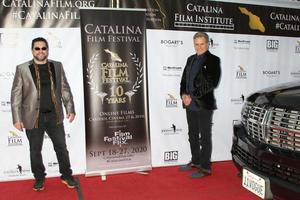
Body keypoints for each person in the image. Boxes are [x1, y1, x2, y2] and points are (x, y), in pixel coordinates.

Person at [11, 37, 79, 191]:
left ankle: (66, 175)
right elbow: (16, 94)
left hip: (54, 115)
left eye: (43, 48)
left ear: (47, 50)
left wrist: (70, 108)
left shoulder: (57, 66)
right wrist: (16, 118)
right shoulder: (22, 68)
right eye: (37, 48)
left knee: (61, 147)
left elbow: (65, 89)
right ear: (32, 50)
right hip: (32, 117)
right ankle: (39, 178)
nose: (40, 51)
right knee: (35, 150)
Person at [179, 32, 221, 178]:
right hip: (189, 104)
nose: (199, 47)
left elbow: (211, 83)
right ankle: (196, 161)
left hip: (203, 104)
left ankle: (205, 168)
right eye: (196, 44)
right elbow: (184, 80)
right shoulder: (190, 59)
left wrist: (192, 96)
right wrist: (183, 95)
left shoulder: (213, 60)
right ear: (193, 44)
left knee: (205, 137)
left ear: (208, 44)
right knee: (192, 134)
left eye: (202, 43)